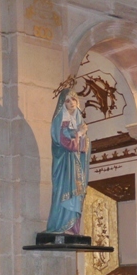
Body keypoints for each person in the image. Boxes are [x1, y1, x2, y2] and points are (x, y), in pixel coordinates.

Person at [45, 89, 89, 233]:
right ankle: (60, 224)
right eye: (67, 100)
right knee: (63, 192)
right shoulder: (60, 120)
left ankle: (72, 226)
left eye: (74, 99)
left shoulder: (79, 120)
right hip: (64, 165)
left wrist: (83, 140)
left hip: (76, 165)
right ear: (63, 104)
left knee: (76, 192)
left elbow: (83, 148)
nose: (71, 103)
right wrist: (78, 134)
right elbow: (63, 142)